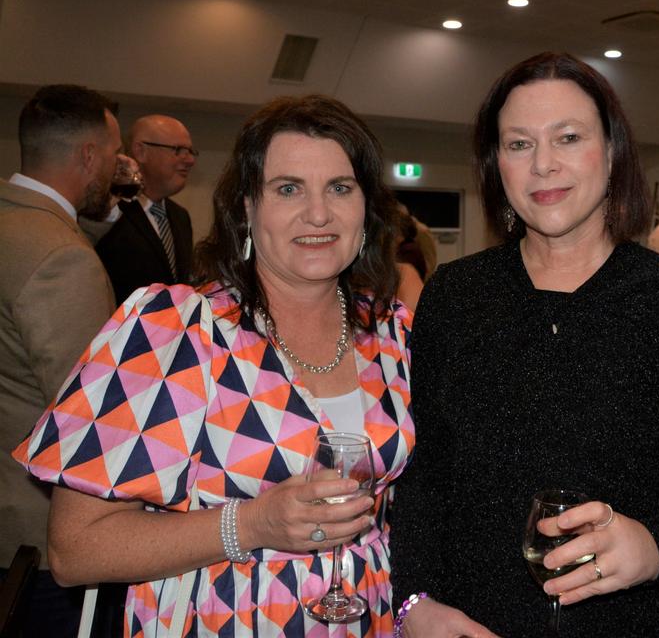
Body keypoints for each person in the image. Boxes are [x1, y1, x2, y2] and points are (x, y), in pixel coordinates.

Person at [14, 95, 414, 637]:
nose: (318, 213)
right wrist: (250, 523)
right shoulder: (175, 329)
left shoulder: (393, 331)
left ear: (367, 206)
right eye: (288, 188)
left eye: (340, 188)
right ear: (247, 207)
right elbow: (76, 548)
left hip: (373, 618)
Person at [390, 52, 659, 637]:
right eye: (519, 144)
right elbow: (425, 474)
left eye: (569, 137)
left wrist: (656, 546)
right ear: (495, 164)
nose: (543, 165)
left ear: (612, 152)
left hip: (638, 622)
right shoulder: (455, 297)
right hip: (470, 623)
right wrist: (413, 604)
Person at [0, 84, 121, 636]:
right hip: (32, 536)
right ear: (89, 156)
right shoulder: (63, 259)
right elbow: (89, 416)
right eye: (116, 154)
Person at [93, 114, 197, 303]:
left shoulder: (180, 217)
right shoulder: (107, 214)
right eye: (179, 150)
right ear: (140, 151)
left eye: (190, 151)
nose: (190, 160)